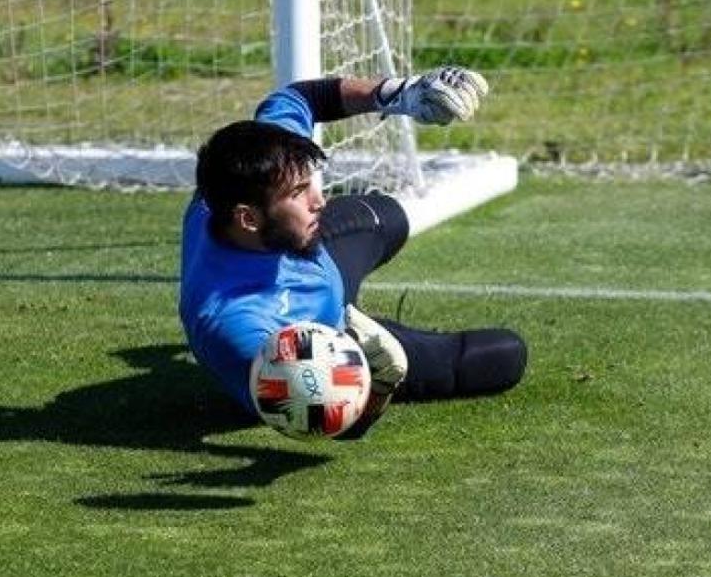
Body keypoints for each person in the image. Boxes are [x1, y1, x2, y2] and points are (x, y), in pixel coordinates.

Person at [178, 68, 527, 438]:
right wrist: (380, 382)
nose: (320, 200)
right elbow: (321, 415)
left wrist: (400, 93)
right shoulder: (240, 328)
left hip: (306, 251)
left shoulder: (246, 179)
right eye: (298, 192)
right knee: (505, 354)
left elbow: (301, 98)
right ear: (248, 218)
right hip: (325, 341)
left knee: (389, 215)